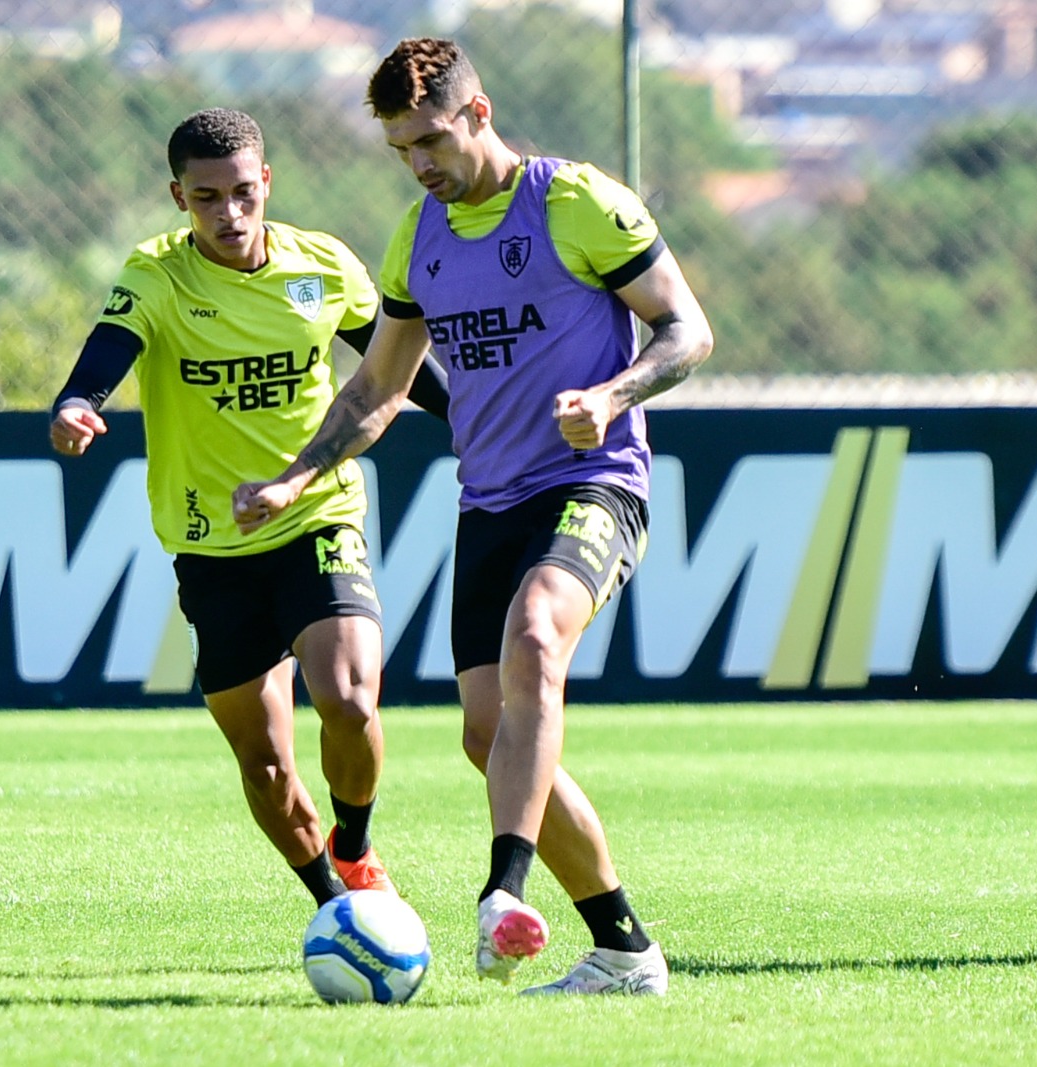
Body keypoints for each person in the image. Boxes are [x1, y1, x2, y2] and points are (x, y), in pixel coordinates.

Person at [234, 38, 714, 996]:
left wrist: (614, 395)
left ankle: (503, 892)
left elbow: (687, 330)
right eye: (399, 148)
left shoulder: (575, 201)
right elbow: (379, 385)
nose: (418, 163)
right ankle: (624, 950)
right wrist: (296, 476)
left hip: (593, 483)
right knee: (489, 737)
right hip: (486, 503)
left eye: (430, 139)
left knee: (538, 634)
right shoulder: (419, 239)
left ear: (478, 113)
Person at [49, 107, 449, 911]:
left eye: (242, 193)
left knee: (348, 696)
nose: (229, 215)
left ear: (266, 182)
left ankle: (356, 844)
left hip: (317, 514)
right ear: (178, 197)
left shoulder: (324, 265)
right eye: (206, 199)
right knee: (266, 767)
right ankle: (335, 907)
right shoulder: (156, 275)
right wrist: (75, 401)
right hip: (211, 546)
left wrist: (481, 423)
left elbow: (399, 369)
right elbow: (107, 350)